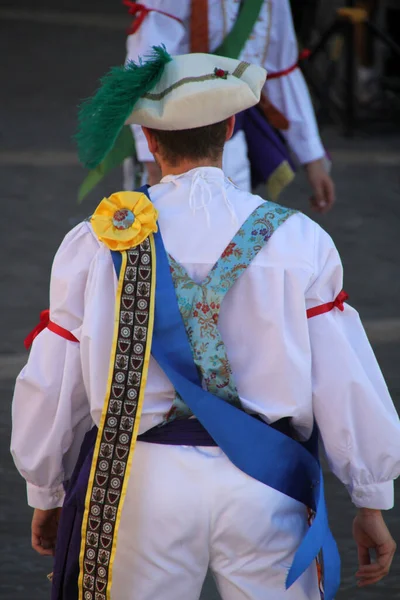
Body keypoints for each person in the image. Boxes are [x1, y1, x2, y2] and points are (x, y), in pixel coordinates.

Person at [11, 47, 399, 600]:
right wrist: (371, 498)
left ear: (149, 139)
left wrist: (45, 491)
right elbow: (345, 375)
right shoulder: (300, 239)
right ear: (232, 128)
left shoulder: (95, 241)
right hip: (267, 480)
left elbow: (54, 378)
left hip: (139, 483)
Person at [123, 0, 335, 213]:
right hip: (171, 147)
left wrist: (312, 158)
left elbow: (280, 71)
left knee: (231, 229)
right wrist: (152, 159)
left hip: (230, 144)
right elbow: (145, 67)